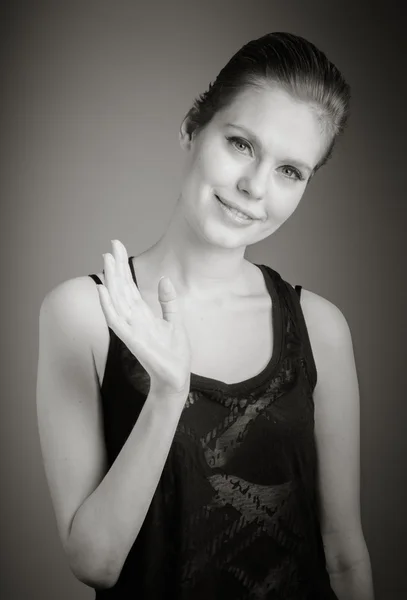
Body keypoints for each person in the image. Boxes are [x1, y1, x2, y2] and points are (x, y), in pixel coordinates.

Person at [36, 32, 375, 599]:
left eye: (291, 171)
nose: (254, 187)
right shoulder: (84, 314)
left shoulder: (320, 327)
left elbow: (344, 555)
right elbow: (94, 562)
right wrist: (168, 393)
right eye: (241, 144)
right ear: (193, 128)